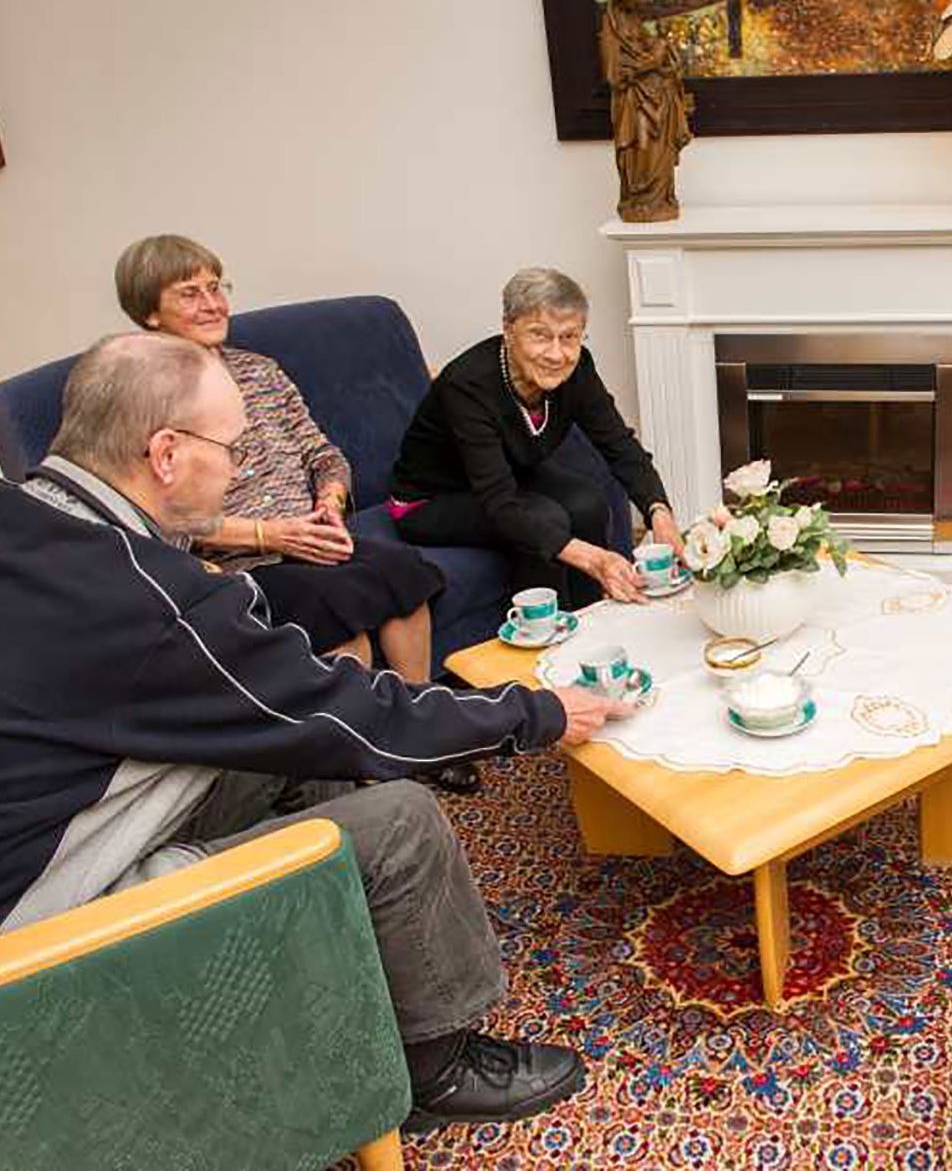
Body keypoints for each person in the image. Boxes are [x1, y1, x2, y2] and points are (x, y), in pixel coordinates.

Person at [0, 331, 633, 1133]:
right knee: (400, 819)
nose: (239, 472)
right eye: (230, 449)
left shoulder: (28, 516)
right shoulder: (143, 597)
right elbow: (356, 710)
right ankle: (435, 1065)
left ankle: (342, 966)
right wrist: (540, 711)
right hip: (47, 925)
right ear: (164, 453)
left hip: (58, 816)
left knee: (307, 751)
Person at [115, 234, 443, 683]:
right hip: (233, 566)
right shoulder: (139, 400)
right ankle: (356, 742)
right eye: (190, 294)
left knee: (403, 575)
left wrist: (329, 501)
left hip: (310, 540)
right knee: (333, 606)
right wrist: (271, 536)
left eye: (216, 288)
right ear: (148, 312)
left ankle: (422, 715)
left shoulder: (259, 371)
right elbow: (156, 519)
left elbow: (322, 454)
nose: (212, 304)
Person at [391, 267, 686, 607]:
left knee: (587, 502)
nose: (556, 354)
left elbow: (618, 444)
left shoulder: (577, 371)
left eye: (569, 337)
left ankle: (592, 618)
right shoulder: (468, 385)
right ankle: (545, 640)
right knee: (543, 520)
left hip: (507, 475)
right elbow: (500, 502)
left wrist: (659, 513)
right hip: (431, 500)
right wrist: (596, 560)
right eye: (541, 335)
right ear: (508, 329)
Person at [600, 0, 694, 222]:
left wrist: (661, 55)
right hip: (633, 100)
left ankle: (660, 198)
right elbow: (614, 73)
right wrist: (647, 64)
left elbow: (646, 43)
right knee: (640, 147)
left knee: (659, 147)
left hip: (655, 94)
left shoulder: (633, 18)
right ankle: (640, 198)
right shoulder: (611, 23)